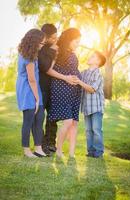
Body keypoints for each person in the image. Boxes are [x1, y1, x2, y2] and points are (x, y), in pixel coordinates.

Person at [38, 24, 77, 156]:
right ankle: (41, 145)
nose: (55, 39)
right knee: (39, 117)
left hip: (53, 87)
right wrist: (65, 78)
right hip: (42, 87)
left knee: (52, 118)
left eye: (56, 37)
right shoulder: (41, 50)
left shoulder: (57, 49)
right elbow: (46, 68)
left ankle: (50, 144)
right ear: (45, 37)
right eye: (52, 37)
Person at [48, 28, 81, 158]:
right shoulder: (57, 49)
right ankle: (59, 150)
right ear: (70, 39)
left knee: (73, 123)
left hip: (74, 91)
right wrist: (65, 78)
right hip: (60, 88)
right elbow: (49, 70)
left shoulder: (72, 53)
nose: (78, 45)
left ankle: (71, 153)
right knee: (67, 121)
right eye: (76, 42)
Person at [16, 29, 46, 158]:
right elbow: (31, 79)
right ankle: (27, 150)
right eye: (41, 43)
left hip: (35, 88)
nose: (42, 45)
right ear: (35, 41)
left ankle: (38, 148)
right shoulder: (28, 56)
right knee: (28, 119)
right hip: (28, 89)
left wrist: (38, 97)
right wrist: (37, 98)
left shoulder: (33, 54)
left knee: (39, 117)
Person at [75, 51, 106, 158]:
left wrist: (79, 82)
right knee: (88, 130)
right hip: (87, 107)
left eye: (92, 56)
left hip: (96, 107)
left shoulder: (98, 74)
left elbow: (92, 89)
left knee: (96, 130)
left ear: (98, 61)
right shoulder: (84, 73)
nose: (89, 57)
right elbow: (77, 77)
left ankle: (99, 152)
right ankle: (91, 151)